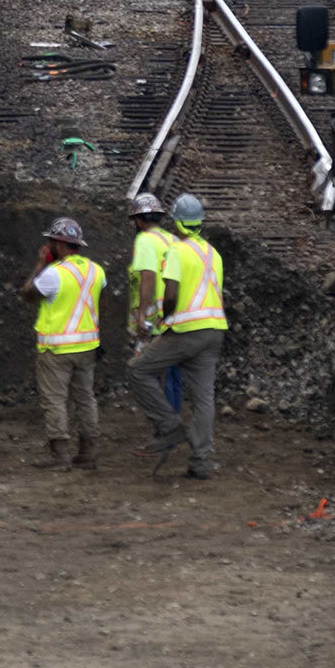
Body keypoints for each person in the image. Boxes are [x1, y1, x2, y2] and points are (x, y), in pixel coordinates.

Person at [126, 192, 226, 479]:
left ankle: (169, 427)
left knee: (138, 370)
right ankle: (200, 463)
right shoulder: (213, 253)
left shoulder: (177, 251)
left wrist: (164, 317)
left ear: (178, 222)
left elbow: (170, 292)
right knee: (203, 398)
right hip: (214, 330)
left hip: (185, 330)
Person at [19, 216, 104, 469]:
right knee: (85, 398)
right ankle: (88, 453)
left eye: (50, 242)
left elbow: (27, 294)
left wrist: (39, 264)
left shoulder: (53, 274)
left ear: (59, 243)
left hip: (56, 349)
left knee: (54, 400)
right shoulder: (96, 271)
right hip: (87, 347)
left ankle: (60, 456)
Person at [125, 194, 183, 417]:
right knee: (173, 373)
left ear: (139, 221)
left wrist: (141, 317)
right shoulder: (173, 240)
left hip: (154, 317)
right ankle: (173, 417)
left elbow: (148, 276)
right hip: (175, 315)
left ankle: (165, 423)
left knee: (145, 371)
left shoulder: (145, 240)